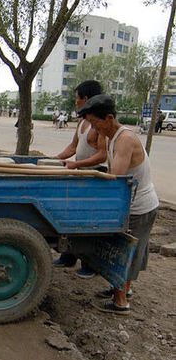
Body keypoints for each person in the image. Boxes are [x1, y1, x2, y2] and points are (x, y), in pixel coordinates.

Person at [77, 95, 159, 315]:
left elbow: (117, 177)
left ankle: (121, 301)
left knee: (128, 250)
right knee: (121, 248)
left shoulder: (125, 139)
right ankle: (120, 288)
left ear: (110, 118)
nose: (93, 128)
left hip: (140, 206)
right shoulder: (111, 136)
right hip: (129, 202)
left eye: (95, 123)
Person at [53, 80, 106, 275]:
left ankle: (89, 265)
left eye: (77, 99)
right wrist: (54, 159)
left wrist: (78, 165)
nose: (75, 102)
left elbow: (102, 155)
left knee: (89, 221)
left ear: (87, 99)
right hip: (81, 173)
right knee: (71, 216)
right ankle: (69, 256)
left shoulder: (100, 124)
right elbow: (74, 147)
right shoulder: (83, 122)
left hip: (95, 175)